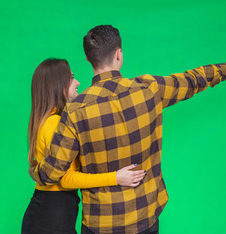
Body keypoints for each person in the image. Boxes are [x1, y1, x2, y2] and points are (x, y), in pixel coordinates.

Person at [31, 25, 226, 234]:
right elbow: (194, 79)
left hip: (100, 223)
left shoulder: (75, 110)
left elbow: (53, 173)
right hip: (145, 216)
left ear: (88, 59)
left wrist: (35, 170)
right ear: (119, 55)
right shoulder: (149, 89)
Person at [22, 58, 146, 234]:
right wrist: (116, 178)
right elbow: (65, 179)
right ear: (58, 84)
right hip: (50, 217)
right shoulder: (55, 124)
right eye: (71, 77)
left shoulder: (53, 120)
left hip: (53, 212)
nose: (78, 82)